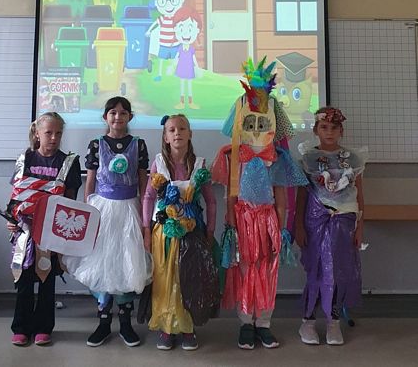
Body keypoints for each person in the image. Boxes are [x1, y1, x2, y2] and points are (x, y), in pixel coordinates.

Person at [211, 57, 308, 350]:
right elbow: (230, 192)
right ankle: (245, 322)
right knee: (244, 268)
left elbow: (281, 195)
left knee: (267, 270)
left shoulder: (276, 156)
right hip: (242, 218)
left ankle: (264, 323)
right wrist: (231, 222)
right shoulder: (233, 154)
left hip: (267, 220)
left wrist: (282, 226)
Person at [62, 97, 151, 348]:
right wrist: (88, 213)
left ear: (130, 117)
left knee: (126, 261)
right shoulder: (96, 144)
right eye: (113, 112)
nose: (117, 117)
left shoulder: (138, 145)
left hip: (130, 208)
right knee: (102, 261)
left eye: (123, 113)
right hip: (103, 209)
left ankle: (125, 322)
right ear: (105, 117)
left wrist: (145, 214)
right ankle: (103, 321)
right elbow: (90, 181)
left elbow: (143, 181)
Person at [142, 114, 218, 351]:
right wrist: (146, 229)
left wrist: (210, 230)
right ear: (165, 137)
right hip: (164, 234)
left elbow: (211, 201)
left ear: (190, 134)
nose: (177, 133)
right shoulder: (158, 164)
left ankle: (187, 327)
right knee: (165, 279)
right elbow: (148, 197)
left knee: (189, 278)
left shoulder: (199, 165)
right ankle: (166, 327)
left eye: (182, 129)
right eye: (172, 130)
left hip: (192, 233)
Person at [7, 112, 82, 346]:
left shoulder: (69, 162)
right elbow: (15, 197)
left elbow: (70, 201)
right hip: (25, 232)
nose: (54, 138)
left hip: (51, 233)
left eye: (58, 133)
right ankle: (21, 328)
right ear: (37, 133)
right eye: (48, 132)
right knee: (24, 281)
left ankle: (43, 328)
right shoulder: (25, 159)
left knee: (47, 280)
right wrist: (11, 219)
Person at [294, 107, 367, 346]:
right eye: (324, 127)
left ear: (341, 131)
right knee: (316, 271)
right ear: (316, 130)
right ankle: (307, 321)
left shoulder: (353, 159)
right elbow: (302, 196)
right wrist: (299, 226)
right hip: (316, 222)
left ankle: (333, 322)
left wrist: (360, 228)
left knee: (338, 272)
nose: (329, 132)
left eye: (334, 128)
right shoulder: (308, 158)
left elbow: (359, 195)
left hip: (344, 223)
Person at [172, 6, 203, 110]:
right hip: (181, 69)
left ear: (197, 30)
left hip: (189, 69)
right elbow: (176, 58)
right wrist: (172, 66)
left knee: (189, 85)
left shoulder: (191, 49)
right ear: (175, 29)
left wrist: (197, 67)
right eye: (181, 28)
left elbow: (194, 59)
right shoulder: (180, 48)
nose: (185, 33)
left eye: (190, 29)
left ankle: (190, 102)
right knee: (182, 85)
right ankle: (181, 102)